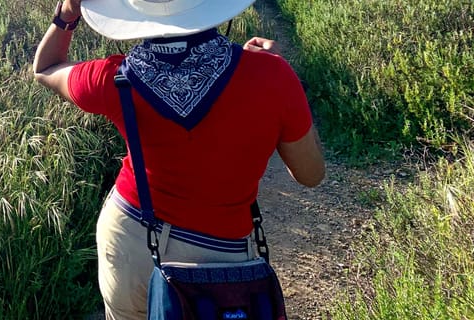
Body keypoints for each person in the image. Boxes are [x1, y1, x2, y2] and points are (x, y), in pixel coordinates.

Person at [32, 0, 325, 319]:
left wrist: (66, 16)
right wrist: (289, 82)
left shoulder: (112, 77)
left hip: (133, 240)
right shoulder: (272, 74)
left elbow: (45, 69)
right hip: (223, 255)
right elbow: (310, 174)